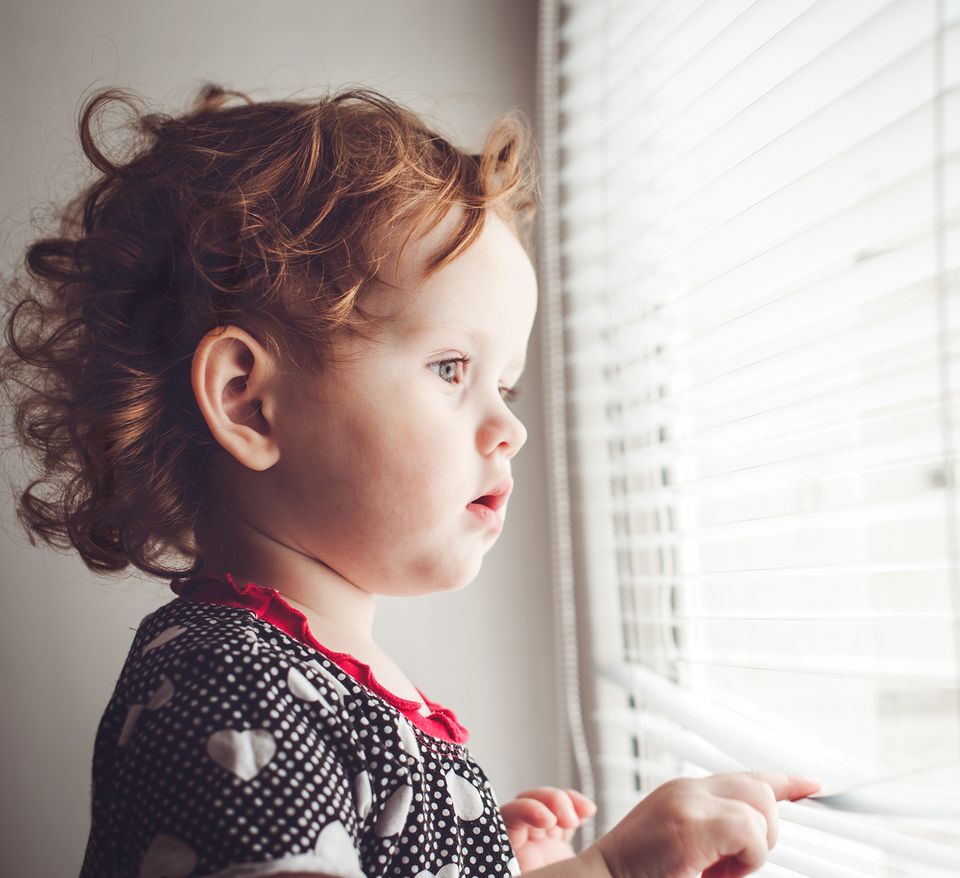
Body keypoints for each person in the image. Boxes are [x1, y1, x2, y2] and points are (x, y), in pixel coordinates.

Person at [1, 84, 822, 878]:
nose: (512, 428)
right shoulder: (236, 684)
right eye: (451, 366)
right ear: (249, 403)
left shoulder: (307, 675)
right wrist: (610, 870)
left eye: (506, 385)